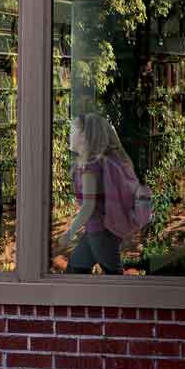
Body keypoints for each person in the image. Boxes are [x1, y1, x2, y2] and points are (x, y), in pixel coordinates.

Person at [57, 113, 127, 274]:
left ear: (84, 136)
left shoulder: (90, 168)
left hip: (102, 234)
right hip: (95, 232)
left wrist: (69, 233)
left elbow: (88, 206)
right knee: (75, 270)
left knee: (115, 279)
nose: (69, 135)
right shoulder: (87, 164)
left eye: (72, 131)